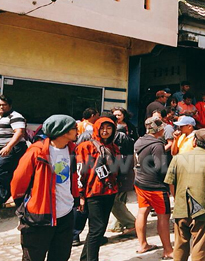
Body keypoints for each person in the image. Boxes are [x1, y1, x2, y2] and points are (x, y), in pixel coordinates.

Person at [11, 115, 79, 261]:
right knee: (34, 257)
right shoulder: (37, 151)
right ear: (63, 131)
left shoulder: (72, 150)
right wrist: (25, 205)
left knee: (60, 256)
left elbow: (73, 177)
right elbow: (18, 181)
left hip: (65, 214)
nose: (77, 130)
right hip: (39, 217)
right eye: (74, 128)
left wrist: (76, 197)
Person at [165, 129, 205, 261]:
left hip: (181, 206)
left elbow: (171, 183)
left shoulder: (177, 159)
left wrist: (177, 198)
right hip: (203, 208)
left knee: (180, 243)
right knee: (200, 244)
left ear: (193, 142)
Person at [76, 117, 120, 261]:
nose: (105, 131)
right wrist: (80, 195)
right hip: (92, 192)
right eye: (102, 128)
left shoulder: (114, 147)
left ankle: (85, 258)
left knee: (98, 229)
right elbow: (79, 172)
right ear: (96, 128)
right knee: (97, 230)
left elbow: (116, 169)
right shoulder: (86, 146)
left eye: (109, 128)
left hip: (109, 191)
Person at [134, 117, 174, 259]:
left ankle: (142, 244)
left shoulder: (140, 140)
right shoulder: (157, 145)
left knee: (142, 211)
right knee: (163, 216)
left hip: (140, 181)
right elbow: (161, 168)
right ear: (158, 129)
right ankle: (168, 250)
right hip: (155, 186)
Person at [108, 107, 137, 235]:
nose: (117, 117)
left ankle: (132, 223)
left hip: (120, 168)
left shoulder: (123, 134)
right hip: (121, 168)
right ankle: (117, 225)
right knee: (120, 198)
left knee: (117, 200)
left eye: (119, 115)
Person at [0, 94, 28, 205]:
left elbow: (19, 132)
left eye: (4, 105)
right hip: (3, 148)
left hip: (12, 148)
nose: (1, 107)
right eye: (0, 105)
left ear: (10, 105)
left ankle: (4, 196)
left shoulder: (15, 116)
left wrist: (9, 146)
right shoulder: (1, 117)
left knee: (2, 170)